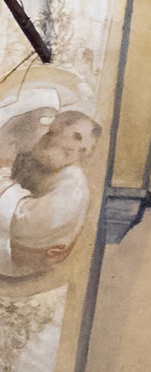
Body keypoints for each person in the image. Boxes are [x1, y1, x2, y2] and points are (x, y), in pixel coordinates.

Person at [0, 110, 101, 277]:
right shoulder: (42, 164)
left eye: (82, 149)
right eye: (76, 137)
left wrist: (4, 181)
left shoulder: (73, 186)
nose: (75, 149)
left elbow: (25, 221)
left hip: (20, 261)